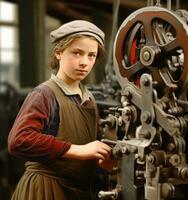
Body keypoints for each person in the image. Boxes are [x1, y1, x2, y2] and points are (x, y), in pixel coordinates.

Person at [8, 20, 113, 200]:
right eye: (77, 53)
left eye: (91, 55)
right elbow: (19, 140)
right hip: (43, 190)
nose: (84, 62)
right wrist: (79, 150)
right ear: (58, 52)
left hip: (75, 191)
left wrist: (104, 163)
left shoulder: (89, 99)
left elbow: (86, 152)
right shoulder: (44, 94)